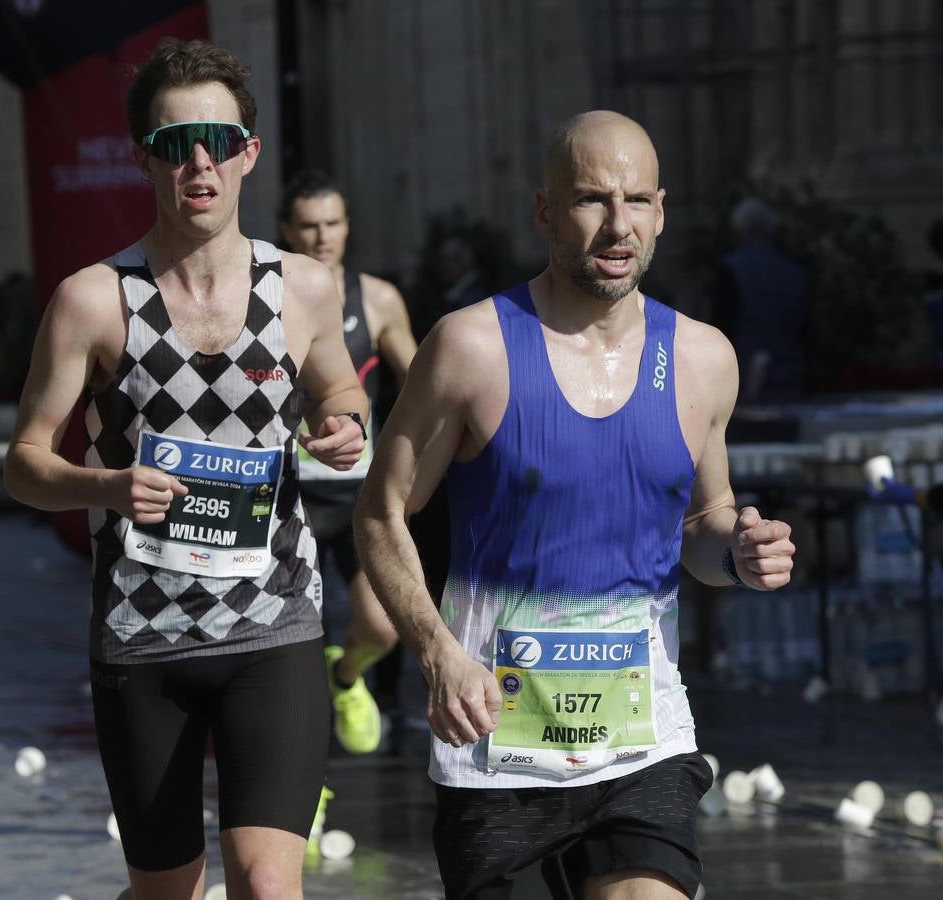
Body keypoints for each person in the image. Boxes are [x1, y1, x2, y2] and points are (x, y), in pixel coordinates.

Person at [354, 110, 796, 900]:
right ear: (546, 211)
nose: (616, 225)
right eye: (591, 199)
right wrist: (436, 652)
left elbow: (702, 522)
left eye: (635, 201)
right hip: (496, 752)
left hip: (642, 743)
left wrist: (739, 551)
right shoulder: (470, 348)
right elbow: (380, 513)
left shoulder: (702, 358)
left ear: (661, 211)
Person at [4, 39, 368, 900]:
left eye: (215, 141)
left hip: (272, 622)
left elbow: (342, 391)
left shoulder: (304, 290)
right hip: (142, 633)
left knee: (266, 884)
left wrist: (342, 427)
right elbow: (23, 463)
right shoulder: (93, 299)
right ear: (144, 159)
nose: (196, 163)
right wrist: (104, 486)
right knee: (167, 890)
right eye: (174, 144)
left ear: (247, 152)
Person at [277, 170, 416, 755]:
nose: (322, 236)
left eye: (332, 223)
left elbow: (423, 383)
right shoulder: (269, 295)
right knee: (286, 643)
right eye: (308, 226)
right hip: (288, 489)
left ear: (347, 226)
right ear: (288, 230)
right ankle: (298, 775)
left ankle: (345, 677)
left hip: (359, 488)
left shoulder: (377, 298)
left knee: (384, 628)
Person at [712, 197, 809, 402]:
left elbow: (722, 324)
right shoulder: (793, 270)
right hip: (788, 369)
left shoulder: (731, 269)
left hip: (744, 369)